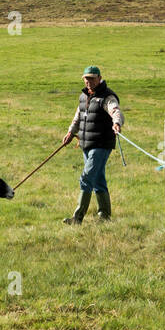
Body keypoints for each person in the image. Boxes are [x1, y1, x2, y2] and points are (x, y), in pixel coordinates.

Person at [61, 66, 123, 223]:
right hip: (86, 144)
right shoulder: (83, 97)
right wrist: (70, 133)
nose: (88, 81)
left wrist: (117, 123)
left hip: (102, 144)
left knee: (87, 178)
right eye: (86, 78)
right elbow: (78, 117)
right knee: (98, 179)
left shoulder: (107, 97)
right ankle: (105, 216)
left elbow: (115, 111)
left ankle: (77, 217)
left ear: (99, 78)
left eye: (92, 78)